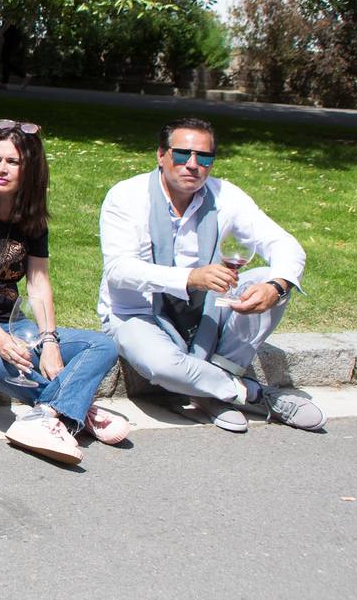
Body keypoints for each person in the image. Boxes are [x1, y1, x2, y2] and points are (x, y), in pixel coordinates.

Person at [0, 119, 130, 464]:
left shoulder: (32, 220)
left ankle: (48, 414)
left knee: (102, 344)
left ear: (30, 170)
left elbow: (38, 283)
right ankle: (77, 410)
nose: (1, 169)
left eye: (12, 162)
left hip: (11, 322)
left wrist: (49, 342)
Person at [98, 118, 322, 432]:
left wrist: (276, 285)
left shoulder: (225, 196)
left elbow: (283, 244)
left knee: (270, 279)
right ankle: (252, 394)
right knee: (162, 366)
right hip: (136, 311)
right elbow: (119, 270)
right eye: (181, 154)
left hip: (205, 306)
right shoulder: (127, 196)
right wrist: (189, 278)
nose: (192, 165)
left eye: (203, 157)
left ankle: (208, 387)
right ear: (161, 155)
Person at [0, 22, 29, 89]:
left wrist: (0, 34)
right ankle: (4, 83)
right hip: (13, 35)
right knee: (6, 60)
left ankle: (24, 75)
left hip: (11, 36)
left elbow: (8, 22)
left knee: (6, 60)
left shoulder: (11, 12)